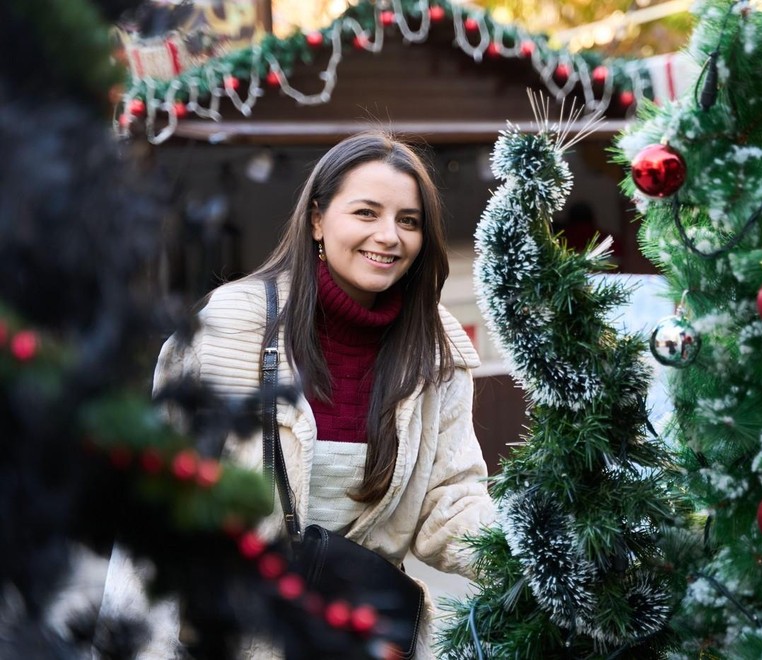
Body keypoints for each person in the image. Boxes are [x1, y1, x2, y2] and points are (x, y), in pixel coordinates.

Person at [99, 131, 496, 658]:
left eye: (409, 221)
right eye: (366, 212)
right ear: (316, 220)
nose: (389, 236)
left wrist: (546, 554)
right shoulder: (230, 327)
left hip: (362, 636)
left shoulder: (435, 348)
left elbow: (450, 501)